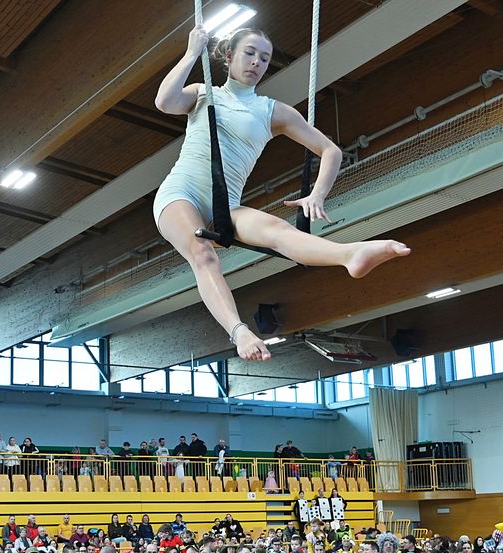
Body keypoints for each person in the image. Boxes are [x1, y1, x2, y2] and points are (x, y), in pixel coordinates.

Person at [153, 25, 409, 361]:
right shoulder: (204, 94)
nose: (256, 62)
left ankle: (349, 255)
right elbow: (164, 101)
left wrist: (317, 194)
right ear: (229, 56)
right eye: (249, 53)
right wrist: (191, 53)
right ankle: (239, 331)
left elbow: (330, 151)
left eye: (264, 58)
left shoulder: (273, 111)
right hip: (180, 193)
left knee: (278, 229)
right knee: (203, 254)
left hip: (225, 206)